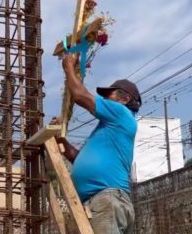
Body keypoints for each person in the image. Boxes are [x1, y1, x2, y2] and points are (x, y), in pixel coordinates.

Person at [59, 54, 142, 234]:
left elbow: (81, 96)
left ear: (125, 99)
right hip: (102, 202)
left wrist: (68, 68)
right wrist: (61, 141)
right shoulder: (109, 128)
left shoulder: (120, 112)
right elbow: (78, 158)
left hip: (106, 199)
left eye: (108, 95)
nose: (105, 100)